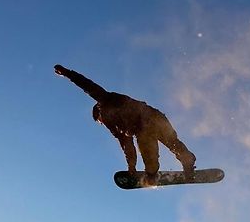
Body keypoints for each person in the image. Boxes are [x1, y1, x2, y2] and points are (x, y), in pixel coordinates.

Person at [54, 64, 196, 182]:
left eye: (100, 122)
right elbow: (127, 144)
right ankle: (187, 160)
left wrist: (67, 73)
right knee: (172, 142)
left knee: (149, 155)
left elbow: (88, 86)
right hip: (157, 116)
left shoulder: (105, 101)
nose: (102, 124)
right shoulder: (115, 124)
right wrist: (131, 166)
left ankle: (152, 175)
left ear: (98, 115)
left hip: (145, 125)